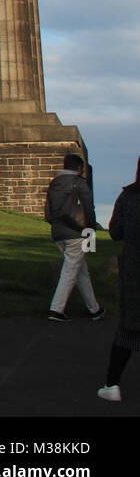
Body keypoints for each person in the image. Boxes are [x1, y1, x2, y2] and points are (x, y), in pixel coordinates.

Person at [45, 153, 105, 322]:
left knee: (81, 271)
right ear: (79, 168)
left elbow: (49, 212)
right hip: (76, 232)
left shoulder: (54, 183)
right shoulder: (79, 183)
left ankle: (95, 309)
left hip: (58, 232)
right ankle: (56, 310)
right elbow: (88, 207)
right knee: (70, 271)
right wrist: (91, 229)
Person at [100, 158, 140, 401]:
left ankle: (111, 385)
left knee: (128, 331)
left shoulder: (128, 197)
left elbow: (115, 232)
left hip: (135, 270)